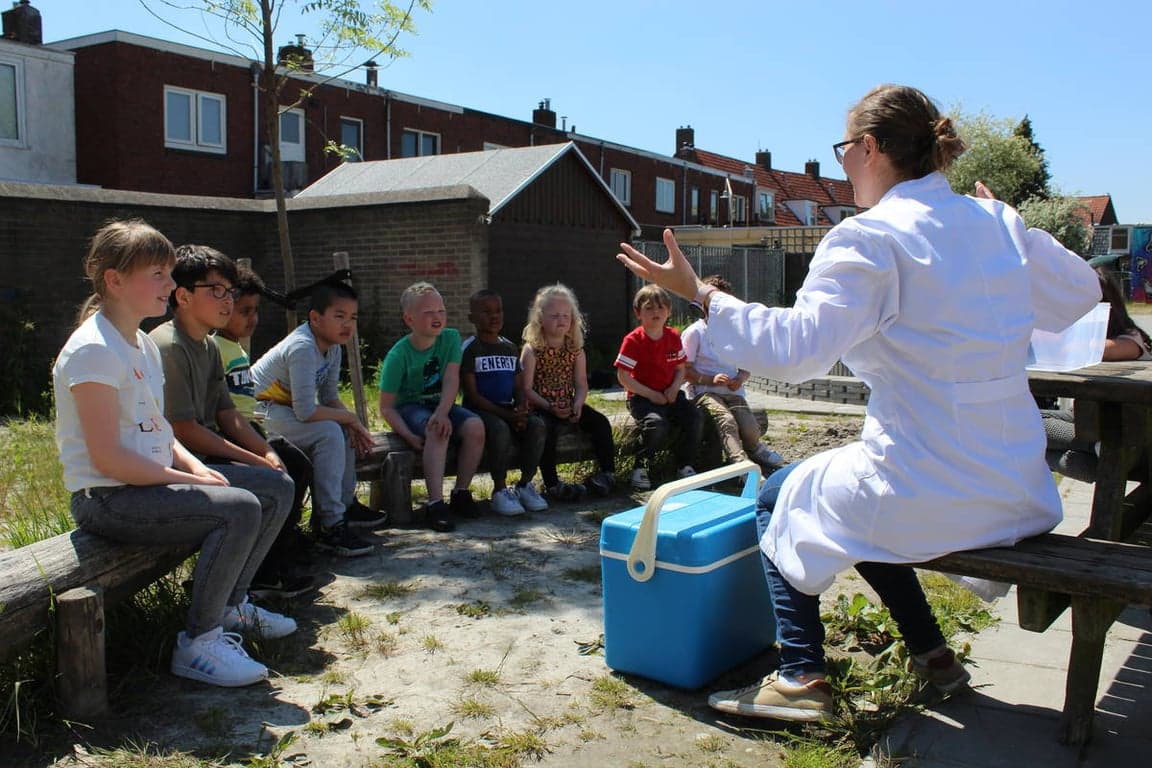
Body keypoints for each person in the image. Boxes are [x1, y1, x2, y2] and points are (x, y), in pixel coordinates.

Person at [616, 84, 1100, 722]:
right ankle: (933, 655)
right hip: (1017, 486)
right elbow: (1081, 292)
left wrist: (701, 295)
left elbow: (799, 352)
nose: (842, 167)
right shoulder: (996, 223)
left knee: (776, 495)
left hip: (932, 487)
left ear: (869, 148)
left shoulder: (868, 238)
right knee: (845, 496)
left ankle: (800, 677)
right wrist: (1013, 227)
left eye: (843, 151)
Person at [53, 219, 299, 688]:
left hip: (148, 483)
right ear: (114, 280)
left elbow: (162, 432)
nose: (170, 284)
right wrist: (191, 480)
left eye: (169, 273)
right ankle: (198, 643)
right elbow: (107, 459)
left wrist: (196, 467)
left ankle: (231, 607)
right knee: (240, 508)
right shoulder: (92, 350)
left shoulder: (140, 343)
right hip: (109, 497)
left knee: (273, 487)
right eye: (158, 275)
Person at [251, 281, 383, 557]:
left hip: (285, 409)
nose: (348, 324)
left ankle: (345, 505)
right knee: (329, 432)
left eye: (353, 317)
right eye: (339, 316)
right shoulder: (302, 348)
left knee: (340, 429)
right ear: (315, 317)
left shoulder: (333, 347)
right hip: (260, 412)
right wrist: (348, 418)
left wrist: (351, 422)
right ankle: (329, 524)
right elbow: (306, 412)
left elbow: (329, 396)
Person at [209, 260, 317, 597]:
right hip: (233, 434)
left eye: (255, 311)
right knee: (284, 474)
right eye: (244, 311)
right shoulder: (215, 349)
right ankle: (267, 570)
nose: (252, 319)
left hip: (253, 427)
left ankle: (283, 543)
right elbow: (223, 408)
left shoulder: (236, 347)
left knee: (298, 466)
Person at [377, 282, 485, 532]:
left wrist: (442, 412)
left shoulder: (450, 338)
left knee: (475, 427)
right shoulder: (398, 355)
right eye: (428, 313)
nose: (437, 317)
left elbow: (451, 379)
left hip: (440, 404)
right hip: (409, 408)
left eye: (441, 311)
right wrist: (408, 436)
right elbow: (386, 407)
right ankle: (435, 503)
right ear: (409, 319)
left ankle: (461, 493)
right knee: (437, 430)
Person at [1043, 266, 1152, 482]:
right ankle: (1094, 447)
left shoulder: (1133, 340)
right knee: (1024, 420)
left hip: (1133, 435)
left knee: (1029, 430)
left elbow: (1094, 348)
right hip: (1090, 422)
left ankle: (1097, 447)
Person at [682, 274, 787, 474]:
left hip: (732, 392)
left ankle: (755, 448)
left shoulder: (735, 332)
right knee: (726, 420)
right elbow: (684, 371)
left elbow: (746, 365)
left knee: (750, 426)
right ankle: (740, 466)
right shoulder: (695, 333)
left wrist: (740, 378)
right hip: (704, 392)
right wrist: (709, 380)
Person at [521, 284, 616, 500]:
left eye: (566, 315)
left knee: (600, 422)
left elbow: (582, 383)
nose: (561, 320)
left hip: (568, 403)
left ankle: (608, 474)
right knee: (547, 432)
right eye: (554, 315)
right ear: (540, 319)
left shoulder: (575, 348)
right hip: (541, 406)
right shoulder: (532, 349)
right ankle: (553, 484)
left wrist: (578, 404)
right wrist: (548, 406)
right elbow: (525, 389)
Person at [460, 289, 549, 516]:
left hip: (507, 408)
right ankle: (499, 490)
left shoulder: (509, 347)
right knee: (500, 430)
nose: (494, 317)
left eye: (498, 311)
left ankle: (524, 485)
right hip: (481, 411)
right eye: (486, 312)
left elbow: (519, 386)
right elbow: (472, 395)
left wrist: (520, 409)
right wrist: (508, 416)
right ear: (471, 318)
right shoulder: (470, 349)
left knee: (537, 425)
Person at [614, 284, 702, 490]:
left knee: (695, 417)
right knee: (656, 424)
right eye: (649, 308)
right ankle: (640, 467)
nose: (656, 312)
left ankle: (684, 465)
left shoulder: (673, 336)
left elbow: (681, 369)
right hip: (642, 397)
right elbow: (623, 377)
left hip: (670, 393)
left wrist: (673, 389)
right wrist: (651, 395)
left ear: (669, 311)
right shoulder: (633, 341)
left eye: (662, 307)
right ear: (638, 313)